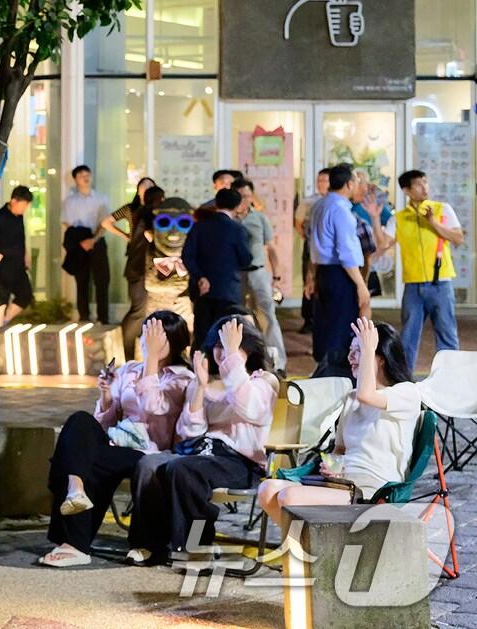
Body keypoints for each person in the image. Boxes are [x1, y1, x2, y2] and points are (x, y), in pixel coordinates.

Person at [37, 312, 193, 567]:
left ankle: (74, 542)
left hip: (149, 452)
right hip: (116, 443)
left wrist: (151, 361)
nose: (147, 341)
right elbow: (106, 422)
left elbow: (153, 405)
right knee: (79, 422)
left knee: (78, 459)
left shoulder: (182, 379)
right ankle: (75, 490)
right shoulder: (129, 370)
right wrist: (107, 395)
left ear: (174, 343)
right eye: (145, 334)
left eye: (156, 337)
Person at [127, 317, 278, 563]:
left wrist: (232, 360)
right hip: (200, 452)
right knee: (149, 465)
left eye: (230, 346)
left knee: (183, 469)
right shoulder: (208, 380)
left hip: (238, 461)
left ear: (247, 350)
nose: (222, 353)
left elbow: (249, 408)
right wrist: (199, 387)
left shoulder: (260, 382)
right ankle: (149, 544)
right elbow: (190, 431)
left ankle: (197, 545)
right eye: (219, 346)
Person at [257, 317, 418, 539]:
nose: (350, 357)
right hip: (342, 482)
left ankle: (314, 557)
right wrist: (333, 465)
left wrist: (369, 348)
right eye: (351, 350)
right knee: (267, 490)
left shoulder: (406, 393)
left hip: (374, 489)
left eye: (358, 351)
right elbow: (340, 449)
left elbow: (367, 395)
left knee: (290, 497)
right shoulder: (352, 399)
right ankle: (311, 552)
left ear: (380, 358)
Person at [391, 169, 464, 367]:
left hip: (440, 283)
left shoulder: (442, 209)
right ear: (406, 190)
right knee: (408, 337)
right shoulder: (399, 217)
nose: (424, 188)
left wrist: (432, 222)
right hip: (413, 286)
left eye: (425, 182)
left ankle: (449, 379)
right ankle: (404, 382)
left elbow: (458, 238)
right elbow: (383, 245)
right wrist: (374, 218)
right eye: (418, 184)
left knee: (447, 335)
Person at [306, 164, 371, 362]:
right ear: (348, 184)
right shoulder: (341, 210)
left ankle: (324, 368)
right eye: (356, 181)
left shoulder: (319, 205)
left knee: (325, 325)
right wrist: (361, 285)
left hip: (324, 272)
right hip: (341, 274)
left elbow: (312, 244)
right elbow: (346, 252)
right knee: (341, 328)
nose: (358, 185)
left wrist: (312, 276)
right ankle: (334, 372)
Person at [181, 188, 254, 349]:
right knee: (225, 332)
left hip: (202, 289)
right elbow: (246, 259)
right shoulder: (237, 229)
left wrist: (200, 277)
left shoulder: (199, 227)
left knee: (201, 330)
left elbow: (187, 255)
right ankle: (219, 367)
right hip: (227, 289)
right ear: (236, 206)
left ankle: (199, 366)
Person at [235, 180, 286, 373]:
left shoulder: (259, 218)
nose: (244, 200)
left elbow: (271, 248)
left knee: (268, 318)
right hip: (236, 274)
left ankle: (278, 364)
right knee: (237, 318)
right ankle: (241, 363)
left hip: (258, 272)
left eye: (247, 196)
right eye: (240, 196)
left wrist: (277, 277)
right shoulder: (228, 219)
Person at [61, 165, 111, 325]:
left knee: (102, 280)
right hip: (79, 242)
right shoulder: (70, 201)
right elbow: (67, 224)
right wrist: (81, 242)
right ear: (75, 179)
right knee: (82, 280)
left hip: (97, 239)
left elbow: (106, 222)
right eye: (81, 174)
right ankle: (84, 317)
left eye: (87, 173)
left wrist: (94, 239)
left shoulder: (101, 198)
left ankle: (103, 318)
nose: (85, 177)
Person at [120, 186, 166, 357]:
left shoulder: (141, 214)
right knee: (138, 311)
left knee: (139, 310)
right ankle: (127, 351)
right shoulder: (150, 218)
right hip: (139, 271)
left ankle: (130, 349)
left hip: (137, 270)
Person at [294, 168, 330, 334]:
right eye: (319, 180)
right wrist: (309, 239)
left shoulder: (336, 201)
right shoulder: (308, 201)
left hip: (329, 250)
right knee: (308, 281)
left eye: (325, 180)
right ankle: (308, 319)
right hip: (312, 247)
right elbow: (298, 223)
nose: (322, 184)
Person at [0, 185, 35, 327]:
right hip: (3, 267)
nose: (24, 209)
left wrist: (26, 255)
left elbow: (21, 238)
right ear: (14, 201)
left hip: (18, 265)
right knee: (1, 300)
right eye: (23, 205)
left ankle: (6, 320)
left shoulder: (19, 217)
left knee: (25, 294)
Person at [351, 170, 394, 296]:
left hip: (369, 256)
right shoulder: (345, 204)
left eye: (361, 182)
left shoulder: (373, 204)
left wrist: (381, 249)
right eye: (355, 181)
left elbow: (390, 223)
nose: (357, 185)